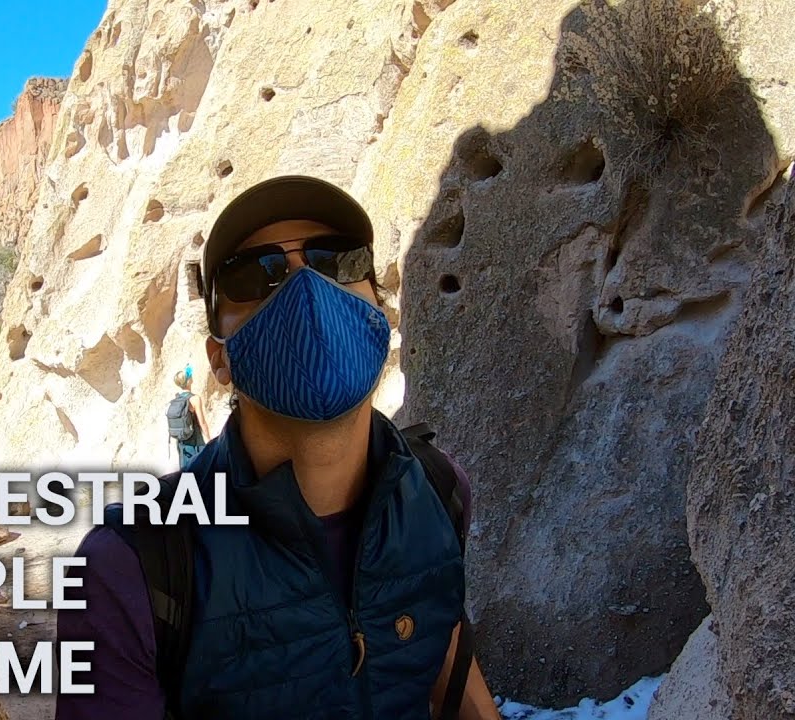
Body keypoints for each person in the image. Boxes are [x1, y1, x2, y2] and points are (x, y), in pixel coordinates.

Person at [56, 176, 501, 720]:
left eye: (336, 260)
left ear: (380, 315)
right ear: (219, 359)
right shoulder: (133, 564)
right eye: (255, 274)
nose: (303, 286)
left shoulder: (438, 489)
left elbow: (450, 673)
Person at [167, 365, 211, 468]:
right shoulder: (195, 399)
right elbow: (202, 423)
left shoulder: (176, 399)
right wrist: (209, 440)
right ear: (189, 381)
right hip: (195, 440)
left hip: (181, 442)